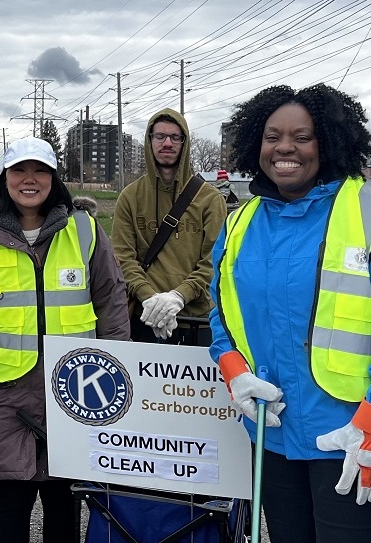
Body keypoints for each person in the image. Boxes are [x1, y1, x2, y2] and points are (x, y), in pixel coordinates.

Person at [209, 83, 371, 543]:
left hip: (351, 436)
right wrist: (232, 367)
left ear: (329, 142)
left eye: (302, 137)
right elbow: (221, 307)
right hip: (272, 428)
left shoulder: (366, 209)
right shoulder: (240, 221)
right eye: (272, 136)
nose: (285, 148)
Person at [0, 135, 130, 543]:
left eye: (40, 171)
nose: (29, 179)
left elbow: (112, 307)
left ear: (53, 178)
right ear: (5, 179)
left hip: (77, 395)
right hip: (8, 397)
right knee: (11, 505)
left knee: (64, 505)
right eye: (19, 170)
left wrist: (117, 384)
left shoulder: (85, 232)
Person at [112, 107, 227, 344]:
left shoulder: (210, 199)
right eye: (160, 136)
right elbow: (123, 258)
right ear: (149, 140)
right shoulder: (130, 197)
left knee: (188, 383)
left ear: (185, 142)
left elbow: (214, 262)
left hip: (196, 320)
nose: (167, 143)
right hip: (143, 317)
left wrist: (178, 297)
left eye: (175, 137)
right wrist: (150, 299)